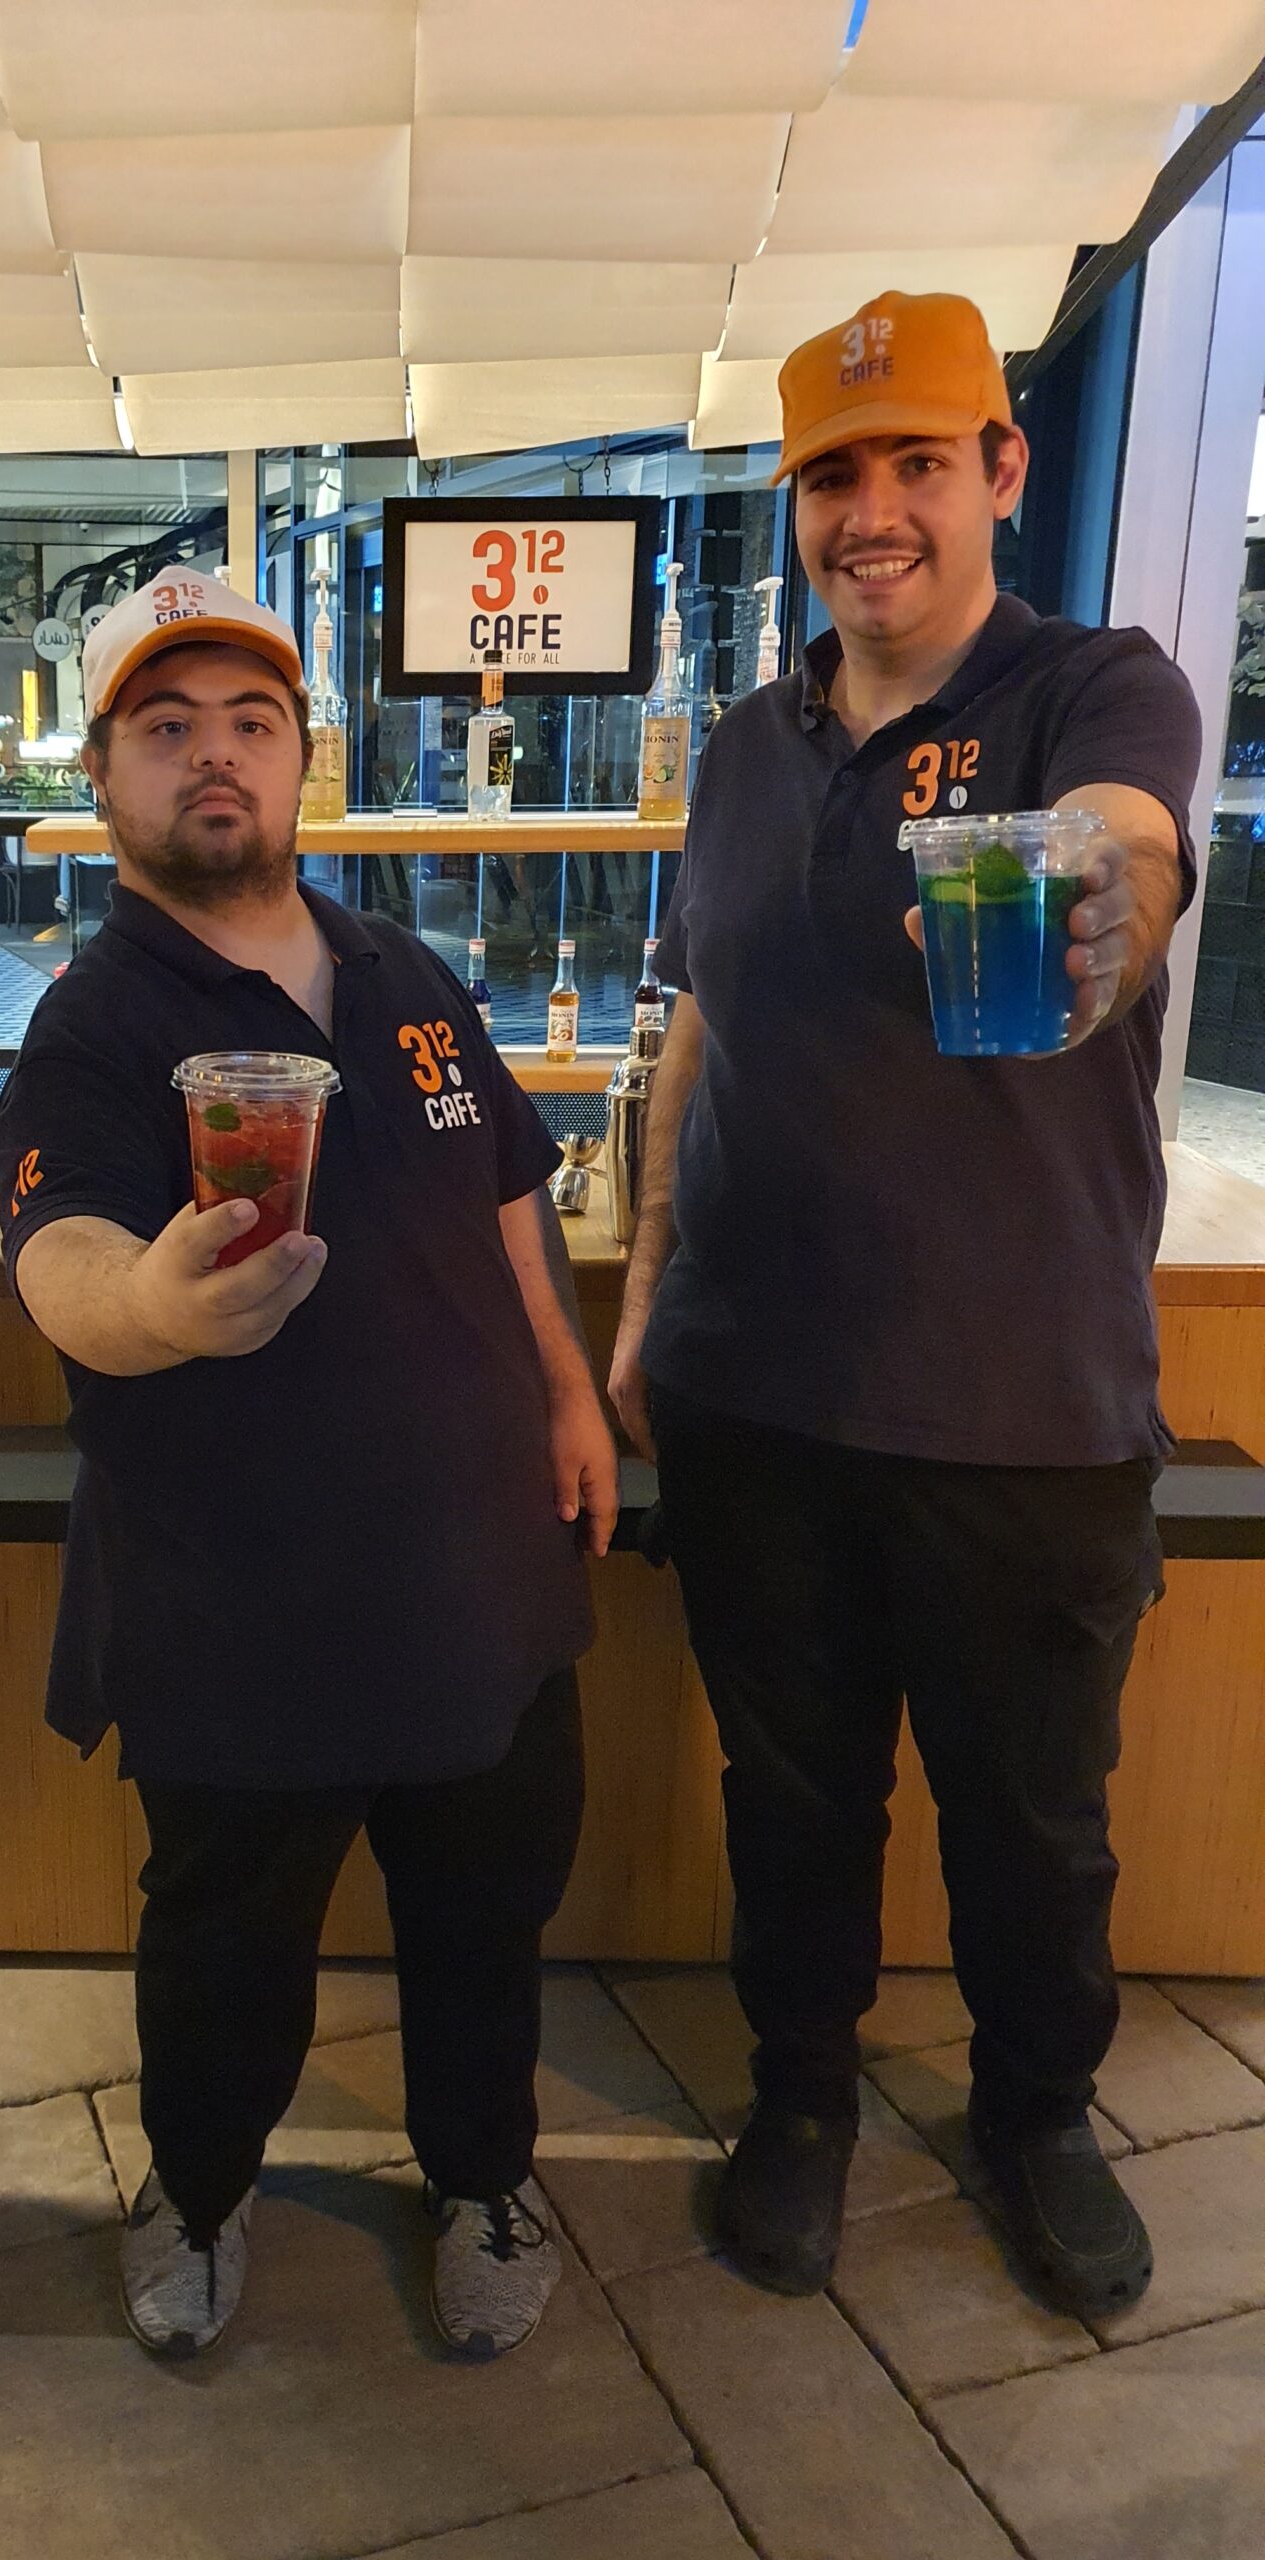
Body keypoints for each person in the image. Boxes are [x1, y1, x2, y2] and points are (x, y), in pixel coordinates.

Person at [608, 293, 1200, 2318]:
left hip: (1023, 1406)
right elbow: (697, 1024)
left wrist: (1111, 895)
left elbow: (1131, 837)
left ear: (1003, 472)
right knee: (792, 1799)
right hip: (755, 1394)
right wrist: (644, 1294)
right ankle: (800, 2099)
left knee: (1033, 1819)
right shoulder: (744, 747)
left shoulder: (1087, 689)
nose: (874, 512)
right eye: (834, 475)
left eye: (919, 464)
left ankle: (1040, 2114)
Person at [0, 570, 614, 2360]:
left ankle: (485, 2175)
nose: (216, 756)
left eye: (250, 723)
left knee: (484, 1919)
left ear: (301, 759)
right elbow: (58, 1257)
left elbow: (509, 1194)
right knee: (226, 1943)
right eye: (167, 727)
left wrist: (569, 1390)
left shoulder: (401, 969)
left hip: (478, 1576)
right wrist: (157, 1308)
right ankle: (196, 2191)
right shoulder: (96, 1020)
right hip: (236, 1600)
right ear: (103, 776)